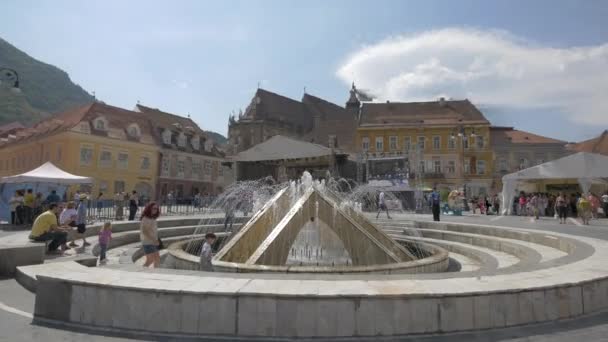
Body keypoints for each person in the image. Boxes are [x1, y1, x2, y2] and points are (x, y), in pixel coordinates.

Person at [140, 202, 161, 268]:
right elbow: (145, 231)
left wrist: (156, 240)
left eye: (157, 209)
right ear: (149, 208)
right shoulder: (146, 218)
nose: (155, 210)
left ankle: (155, 273)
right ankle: (140, 272)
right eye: (154, 208)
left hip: (152, 241)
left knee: (157, 259)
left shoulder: (152, 218)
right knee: (150, 260)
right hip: (148, 242)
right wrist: (154, 240)